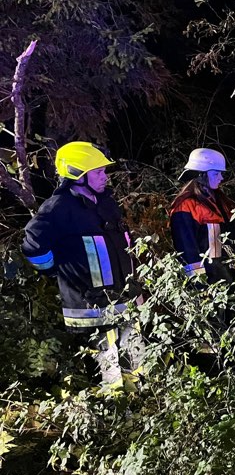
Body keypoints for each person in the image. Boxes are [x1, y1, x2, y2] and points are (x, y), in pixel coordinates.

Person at [22, 141, 144, 391]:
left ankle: (142, 401)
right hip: (90, 307)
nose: (104, 177)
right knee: (106, 373)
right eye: (97, 172)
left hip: (123, 299)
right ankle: (113, 410)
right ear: (77, 174)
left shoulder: (105, 203)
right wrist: (54, 269)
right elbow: (33, 245)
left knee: (136, 360)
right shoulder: (59, 208)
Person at [170, 148, 235, 283]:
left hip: (232, 277)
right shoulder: (186, 207)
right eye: (216, 173)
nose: (221, 178)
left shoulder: (224, 203)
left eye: (221, 173)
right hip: (210, 281)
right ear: (200, 175)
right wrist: (199, 284)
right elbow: (187, 250)